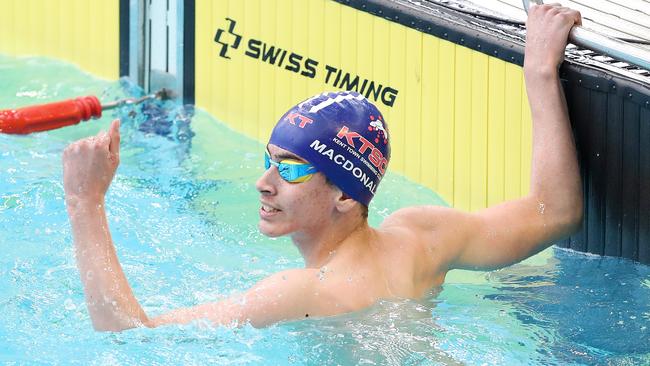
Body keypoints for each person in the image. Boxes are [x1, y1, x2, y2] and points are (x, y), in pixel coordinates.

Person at [62, 4, 583, 332]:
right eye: (269, 160)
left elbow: (127, 332)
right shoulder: (424, 237)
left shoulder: (304, 291)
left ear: (345, 195)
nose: (262, 183)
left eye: (291, 170)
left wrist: (85, 201)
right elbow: (556, 212)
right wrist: (539, 73)